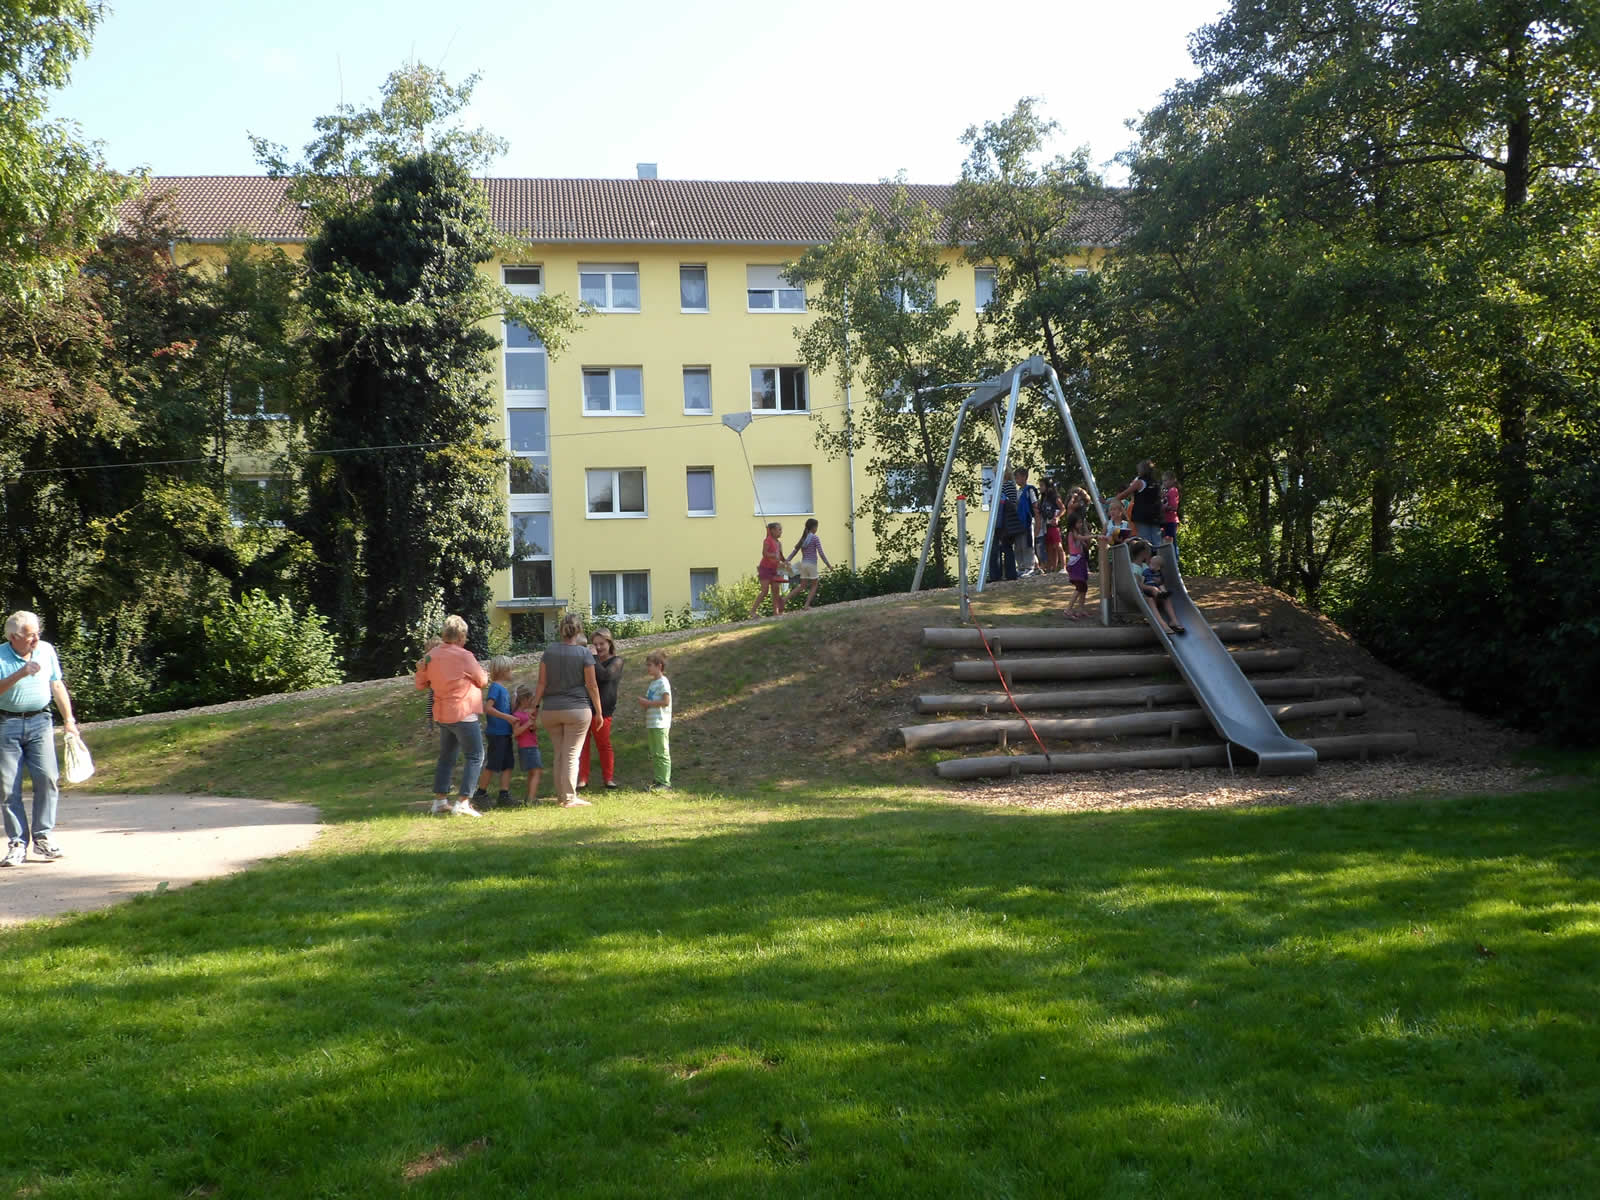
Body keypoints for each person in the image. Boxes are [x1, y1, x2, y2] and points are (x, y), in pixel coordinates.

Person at [1, 610, 79, 867]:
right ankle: (17, 843)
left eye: (37, 633)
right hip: (6, 723)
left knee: (47, 778)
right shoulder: (1, 655)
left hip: (40, 721)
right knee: (7, 787)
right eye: (29, 635)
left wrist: (69, 720)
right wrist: (21, 673)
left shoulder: (46, 650)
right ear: (13, 637)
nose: (35, 639)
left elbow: (57, 684)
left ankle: (43, 837)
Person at [413, 614, 488, 817]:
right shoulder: (464, 655)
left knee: (446, 757)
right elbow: (482, 680)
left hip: (442, 714)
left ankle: (440, 801)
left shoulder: (432, 655)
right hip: (463, 712)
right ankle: (463, 801)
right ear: (461, 635)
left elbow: (420, 684)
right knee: (475, 755)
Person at [531, 610, 605, 808]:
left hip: (551, 710)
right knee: (572, 754)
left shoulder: (549, 652)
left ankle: (561, 796)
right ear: (579, 631)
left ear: (561, 630)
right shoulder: (584, 654)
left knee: (559, 754)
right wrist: (598, 712)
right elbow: (592, 685)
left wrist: (535, 707)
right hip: (577, 710)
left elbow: (541, 684)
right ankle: (569, 798)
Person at [578, 627, 623, 790]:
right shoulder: (590, 661)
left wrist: (594, 657)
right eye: (595, 644)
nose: (598, 647)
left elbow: (605, 676)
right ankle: (582, 779)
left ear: (609, 643)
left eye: (601, 643)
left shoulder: (617, 661)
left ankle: (608, 778)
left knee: (603, 744)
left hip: (604, 710)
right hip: (585, 706)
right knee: (583, 745)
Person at [473, 656, 517, 811]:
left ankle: (504, 794)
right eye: (510, 669)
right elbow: (488, 708)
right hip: (496, 733)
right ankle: (480, 794)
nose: (513, 672)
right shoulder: (495, 688)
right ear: (503, 671)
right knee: (493, 764)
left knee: (508, 764)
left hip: (505, 733)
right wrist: (508, 717)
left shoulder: (503, 689)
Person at [1128, 538, 1185, 635]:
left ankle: (1174, 621)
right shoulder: (1133, 567)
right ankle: (1163, 624)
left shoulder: (1146, 566)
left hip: (1155, 593)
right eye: (1148, 551)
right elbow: (1139, 585)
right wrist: (1151, 588)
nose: (1149, 554)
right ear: (1143, 553)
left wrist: (1158, 582)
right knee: (1150, 600)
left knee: (1166, 598)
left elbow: (1155, 578)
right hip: (1142, 595)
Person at [638, 650, 672, 791]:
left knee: (662, 752)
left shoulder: (663, 682)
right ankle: (658, 780)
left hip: (660, 722)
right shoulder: (653, 683)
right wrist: (645, 705)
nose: (648, 668)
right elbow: (650, 700)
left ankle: (665, 782)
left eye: (650, 665)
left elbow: (666, 701)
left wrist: (648, 704)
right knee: (655, 753)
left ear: (659, 666)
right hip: (652, 723)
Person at [784, 518, 833, 609]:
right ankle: (806, 605)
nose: (817, 529)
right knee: (814, 585)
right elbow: (821, 553)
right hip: (812, 565)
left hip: (804, 564)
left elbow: (795, 551)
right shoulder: (815, 538)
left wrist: (787, 560)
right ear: (813, 527)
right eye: (816, 527)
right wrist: (828, 565)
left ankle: (784, 599)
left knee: (802, 586)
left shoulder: (803, 538)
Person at [1115, 459, 1164, 545]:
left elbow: (1124, 494)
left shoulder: (1140, 482)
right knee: (1157, 542)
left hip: (1143, 516)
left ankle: (1148, 557)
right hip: (1155, 516)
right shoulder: (1156, 483)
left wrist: (1112, 500)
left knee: (1146, 542)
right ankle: (1159, 557)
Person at [509, 683, 542, 807]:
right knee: (537, 772)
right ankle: (531, 799)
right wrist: (528, 724)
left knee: (533, 773)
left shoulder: (525, 714)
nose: (532, 702)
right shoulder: (517, 716)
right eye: (530, 699)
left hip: (532, 745)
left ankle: (529, 796)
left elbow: (531, 728)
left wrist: (533, 726)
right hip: (527, 747)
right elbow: (516, 732)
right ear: (524, 699)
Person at [749, 522, 788, 618]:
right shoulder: (767, 541)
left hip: (775, 569)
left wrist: (785, 561)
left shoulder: (779, 543)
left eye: (781, 530)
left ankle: (776, 612)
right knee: (765, 591)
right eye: (779, 530)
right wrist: (773, 555)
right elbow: (764, 553)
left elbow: (781, 556)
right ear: (772, 531)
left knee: (776, 590)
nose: (781, 532)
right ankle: (753, 611)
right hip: (765, 568)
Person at [989, 473, 1021, 581]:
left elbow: (999, 503)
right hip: (1009, 520)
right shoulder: (1011, 487)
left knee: (997, 547)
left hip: (1002, 520)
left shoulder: (1003, 486)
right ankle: (1010, 573)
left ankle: (996, 574)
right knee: (1006, 547)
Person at [1062, 513, 1091, 620]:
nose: (1080, 524)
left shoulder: (1078, 533)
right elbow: (1081, 537)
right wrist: (1094, 536)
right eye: (1079, 522)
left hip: (1081, 561)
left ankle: (1081, 609)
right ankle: (1068, 609)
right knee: (1079, 586)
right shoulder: (1072, 533)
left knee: (1084, 587)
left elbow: (1085, 543)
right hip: (1076, 562)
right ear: (1073, 523)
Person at [1013, 467, 1041, 575]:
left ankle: (1030, 567)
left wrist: (1038, 523)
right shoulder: (1018, 491)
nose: (1016, 480)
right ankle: (1021, 566)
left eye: (1018, 477)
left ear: (1024, 477)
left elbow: (1035, 506)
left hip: (1028, 520)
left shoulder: (1030, 490)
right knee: (1018, 545)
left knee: (1027, 544)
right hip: (1018, 522)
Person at [1039, 481, 1065, 573]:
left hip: (1054, 525)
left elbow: (1063, 508)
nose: (1040, 487)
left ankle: (1063, 567)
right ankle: (1051, 568)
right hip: (1046, 525)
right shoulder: (1043, 498)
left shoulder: (1054, 497)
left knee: (1058, 545)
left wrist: (1057, 517)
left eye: (1042, 485)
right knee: (1049, 547)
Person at [1161, 470, 1182, 558]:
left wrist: (1164, 507)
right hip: (1166, 520)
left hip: (1170, 520)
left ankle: (1175, 561)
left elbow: (1174, 507)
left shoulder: (1173, 490)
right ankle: (1169, 559)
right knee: (1166, 542)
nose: (1164, 483)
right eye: (1163, 481)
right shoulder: (1167, 491)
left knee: (1171, 542)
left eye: (1166, 480)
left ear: (1172, 480)